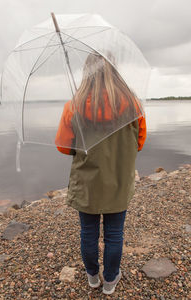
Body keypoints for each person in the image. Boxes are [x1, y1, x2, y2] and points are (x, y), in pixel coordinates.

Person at [55, 53, 146, 295]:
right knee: (115, 233)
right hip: (117, 179)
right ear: (115, 71)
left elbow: (63, 147)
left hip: (88, 182)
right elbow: (139, 142)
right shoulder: (134, 104)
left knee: (88, 231)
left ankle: (93, 277)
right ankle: (111, 280)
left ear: (87, 74)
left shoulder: (73, 106)